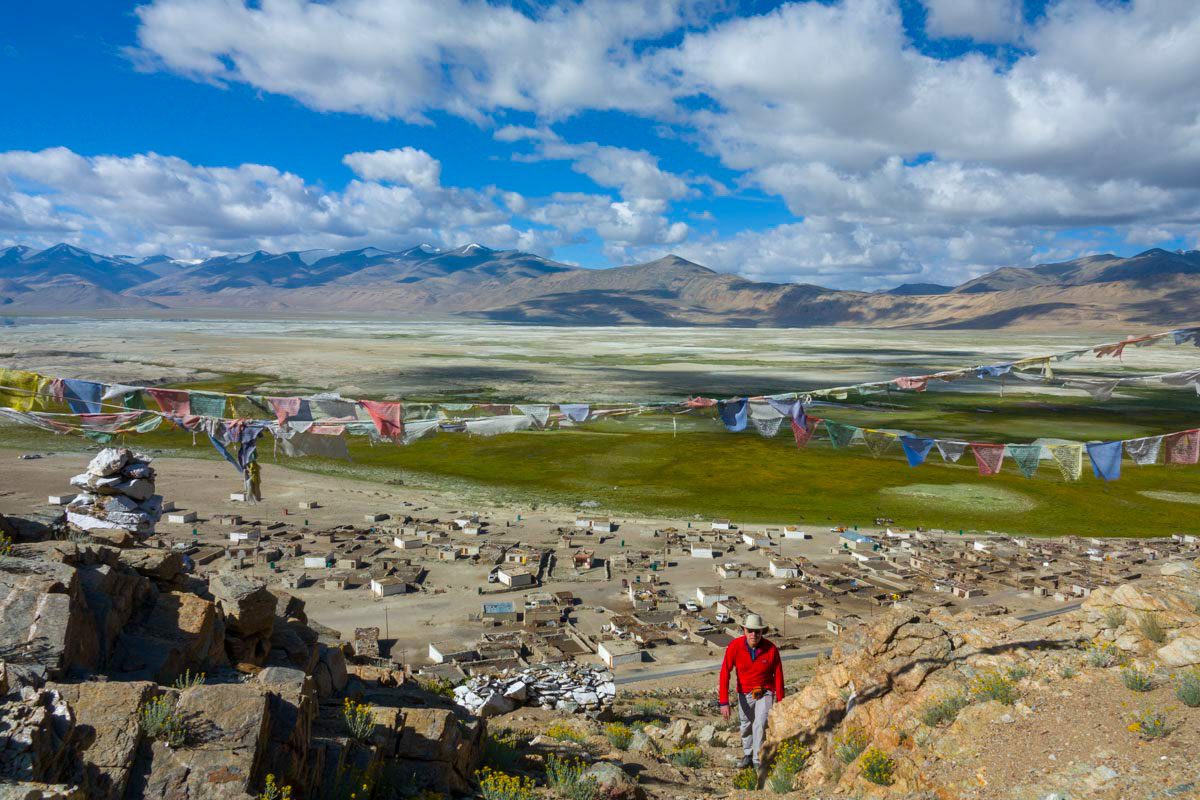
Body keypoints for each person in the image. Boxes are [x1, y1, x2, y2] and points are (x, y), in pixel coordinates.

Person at [718, 613, 784, 769]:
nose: (754, 634)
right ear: (744, 630)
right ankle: (748, 755)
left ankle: (757, 760)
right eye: (750, 630)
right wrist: (724, 702)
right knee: (746, 725)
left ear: (762, 632)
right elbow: (725, 673)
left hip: (765, 692)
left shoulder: (771, 649)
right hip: (745, 692)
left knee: (760, 723)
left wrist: (781, 702)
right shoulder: (734, 647)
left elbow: (779, 675)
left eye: (757, 631)